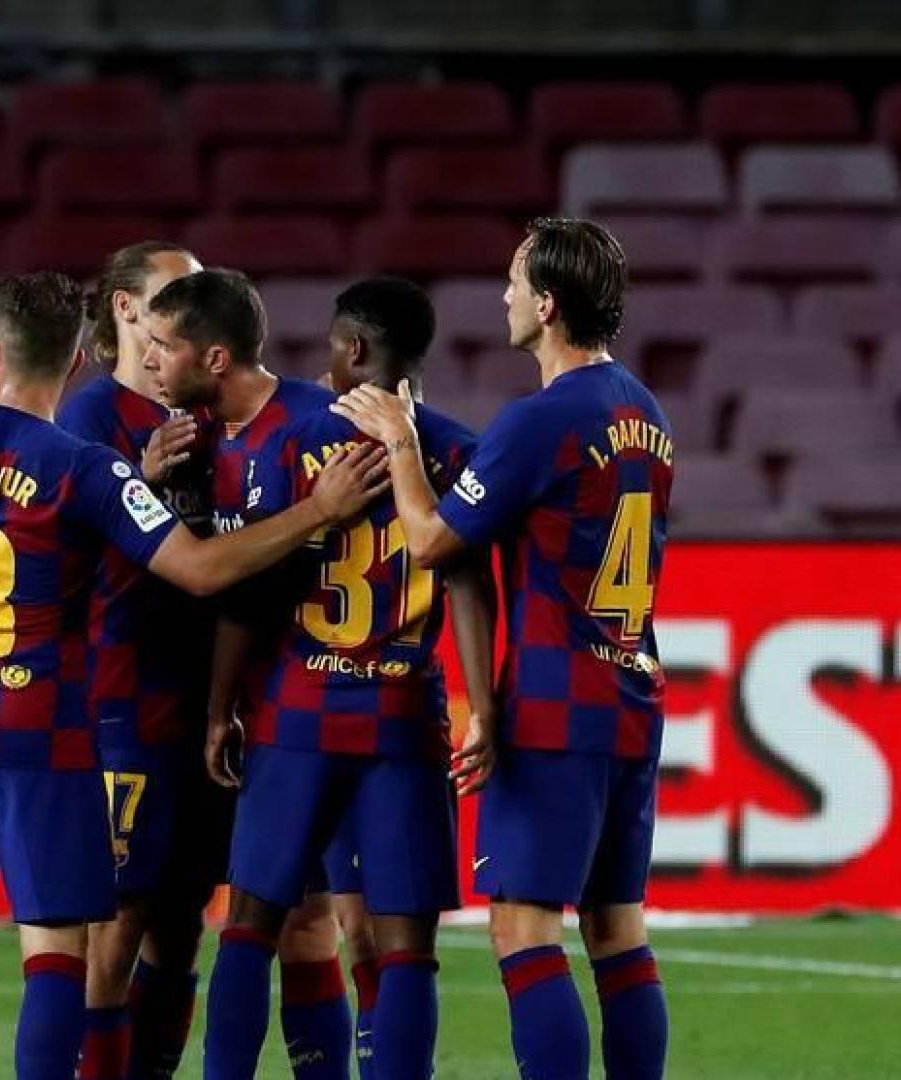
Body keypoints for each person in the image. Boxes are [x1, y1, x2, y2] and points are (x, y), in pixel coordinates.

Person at [0, 256, 388, 1080]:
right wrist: (317, 510)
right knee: (59, 955)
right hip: (47, 736)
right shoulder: (84, 467)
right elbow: (200, 569)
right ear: (75, 361)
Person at [332, 218, 673, 1080]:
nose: (506, 295)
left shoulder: (543, 418)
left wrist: (401, 441)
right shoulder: (647, 412)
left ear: (548, 304)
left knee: (525, 928)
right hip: (633, 692)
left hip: (558, 704)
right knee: (616, 927)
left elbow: (433, 543)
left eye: (517, 282)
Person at [200, 276, 501, 1080]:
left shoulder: (289, 443)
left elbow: (248, 593)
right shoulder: (459, 450)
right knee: (406, 947)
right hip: (403, 718)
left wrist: (220, 709)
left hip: (297, 715)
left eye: (335, 347)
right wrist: (484, 708)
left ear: (357, 348)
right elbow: (471, 583)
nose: (326, 364)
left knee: (249, 926)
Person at [138, 269, 358, 1080]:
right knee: (191, 919)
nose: (151, 362)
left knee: (301, 921)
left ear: (215, 357)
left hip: (302, 715)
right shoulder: (195, 441)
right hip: (221, 719)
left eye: (164, 347)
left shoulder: (310, 428)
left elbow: (260, 592)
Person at [53, 241, 226, 1080]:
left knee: (182, 919)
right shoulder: (87, 420)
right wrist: (141, 481)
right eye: (176, 291)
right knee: (115, 921)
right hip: (119, 699)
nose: (195, 301)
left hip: (204, 702)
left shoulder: (207, 409)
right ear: (126, 308)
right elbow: (58, 555)